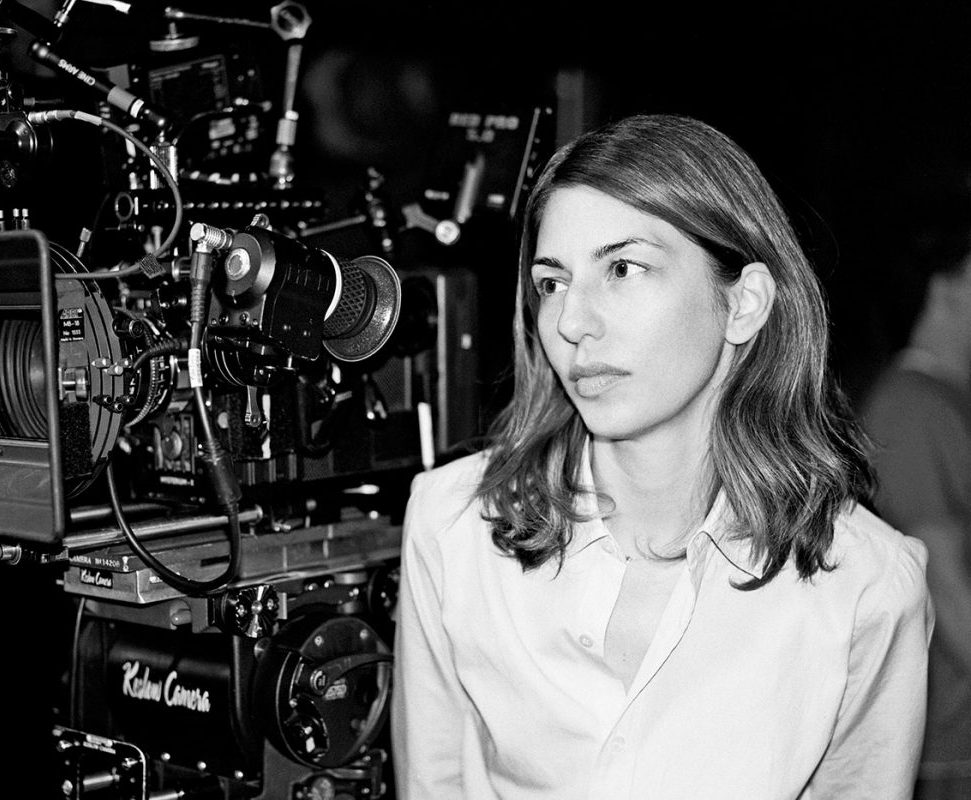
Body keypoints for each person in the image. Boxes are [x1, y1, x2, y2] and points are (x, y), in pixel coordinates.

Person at [390, 113, 933, 799]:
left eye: (623, 269)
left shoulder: (865, 585)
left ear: (743, 303)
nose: (571, 322)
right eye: (551, 283)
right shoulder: (453, 525)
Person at [861, 163, 971, 800]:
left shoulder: (946, 401)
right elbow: (949, 591)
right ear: (946, 284)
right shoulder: (911, 405)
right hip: (951, 755)